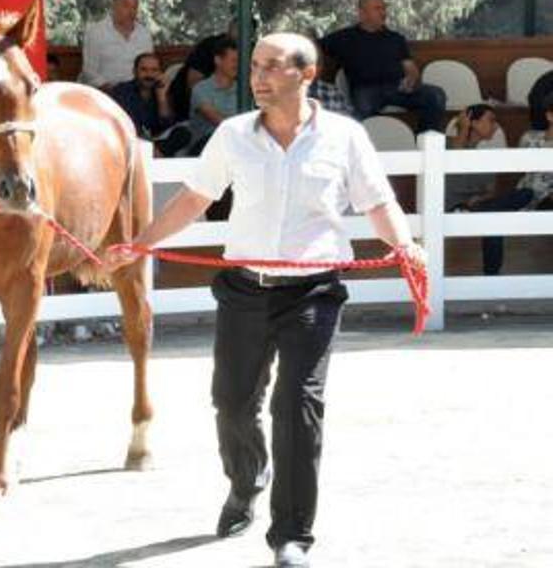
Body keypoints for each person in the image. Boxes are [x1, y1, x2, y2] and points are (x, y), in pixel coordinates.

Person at [112, 33, 424, 568]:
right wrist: (142, 243)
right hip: (244, 290)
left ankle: (292, 534)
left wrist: (406, 247)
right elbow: (194, 198)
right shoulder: (233, 135)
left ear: (306, 75)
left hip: (313, 292)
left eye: (272, 67)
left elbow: (378, 202)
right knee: (233, 404)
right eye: (255, 66)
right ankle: (247, 480)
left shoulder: (344, 137)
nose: (258, 76)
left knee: (297, 405)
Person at [319, 0, 447, 132]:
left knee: (435, 95)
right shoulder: (344, 38)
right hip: (366, 90)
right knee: (363, 104)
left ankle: (426, 142)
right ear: (362, 13)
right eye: (377, 8)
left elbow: (410, 67)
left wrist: (411, 78)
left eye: (384, 8)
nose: (383, 12)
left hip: (397, 89)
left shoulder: (395, 38)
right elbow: (314, 47)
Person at [444, 103, 527, 275]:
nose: (495, 126)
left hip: (475, 207)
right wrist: (464, 128)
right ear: (472, 123)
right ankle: (492, 275)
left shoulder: (486, 156)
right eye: (491, 120)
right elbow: (454, 159)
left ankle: (491, 276)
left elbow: (489, 191)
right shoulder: (446, 143)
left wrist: (478, 199)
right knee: (495, 216)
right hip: (449, 208)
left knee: (525, 194)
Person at [107, 52, 191, 157]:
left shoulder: (164, 90)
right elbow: (124, 126)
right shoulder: (122, 91)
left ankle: (154, 154)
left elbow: (166, 124)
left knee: (183, 133)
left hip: (156, 141)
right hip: (131, 140)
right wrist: (146, 145)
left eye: (154, 70)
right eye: (144, 70)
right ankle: (154, 155)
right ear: (134, 71)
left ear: (161, 73)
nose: (149, 75)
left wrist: (161, 98)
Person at [79, 0, 154, 90]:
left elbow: (149, 66)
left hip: (137, 91)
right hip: (105, 91)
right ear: (114, 6)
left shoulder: (144, 34)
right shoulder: (96, 32)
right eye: (126, 6)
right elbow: (89, 72)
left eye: (135, 7)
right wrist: (111, 90)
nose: (131, 11)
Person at [188, 37, 240, 151]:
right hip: (205, 147)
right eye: (234, 60)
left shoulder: (243, 89)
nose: (238, 65)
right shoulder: (201, 89)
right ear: (218, 60)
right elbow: (217, 120)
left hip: (236, 144)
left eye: (239, 60)